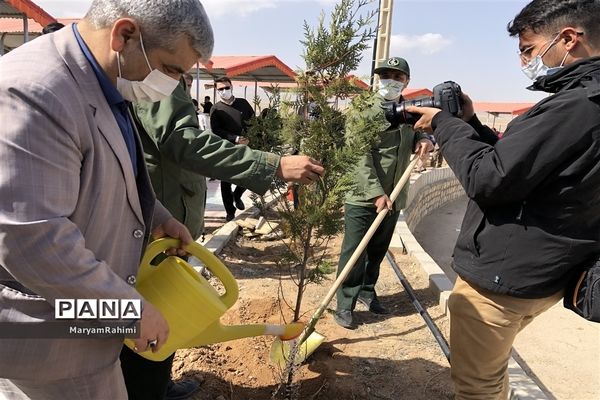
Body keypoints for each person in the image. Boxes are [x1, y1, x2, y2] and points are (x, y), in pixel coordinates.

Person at [0, 0, 214, 397]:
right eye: (170, 69)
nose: (169, 85)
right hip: (49, 342)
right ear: (125, 34)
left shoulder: (103, 84)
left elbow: (110, 171)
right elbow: (32, 240)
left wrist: (157, 217)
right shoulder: (36, 91)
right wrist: (125, 313)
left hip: (82, 328)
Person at [407, 1, 600, 398]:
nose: (525, 61)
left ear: (568, 38)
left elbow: (488, 178)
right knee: (492, 372)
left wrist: (445, 124)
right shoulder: (585, 102)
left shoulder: (575, 106)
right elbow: (525, 166)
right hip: (549, 271)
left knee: (478, 386)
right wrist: (473, 124)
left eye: (529, 50)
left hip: (502, 283)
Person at [121, 78, 325, 400]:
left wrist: (163, 217)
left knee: (164, 314)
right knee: (146, 320)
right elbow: (182, 140)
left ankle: (160, 383)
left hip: (165, 216)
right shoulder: (153, 76)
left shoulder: (162, 74)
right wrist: (272, 165)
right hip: (149, 225)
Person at [334, 57, 434, 329]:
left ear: (406, 82)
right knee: (355, 250)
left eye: (397, 77)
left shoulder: (409, 111)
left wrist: (424, 139)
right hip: (363, 195)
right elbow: (358, 155)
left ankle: (367, 291)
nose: (390, 81)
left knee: (377, 250)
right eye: (385, 75)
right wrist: (376, 193)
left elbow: (419, 135)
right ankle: (345, 302)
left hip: (395, 194)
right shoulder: (363, 110)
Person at [210, 77, 255, 221]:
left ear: (231, 87)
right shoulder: (215, 108)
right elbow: (216, 129)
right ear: (217, 91)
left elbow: (253, 121)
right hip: (227, 148)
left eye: (226, 88)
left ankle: (238, 195)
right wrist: (235, 139)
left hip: (247, 146)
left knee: (249, 175)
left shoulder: (243, 103)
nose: (224, 91)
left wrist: (251, 138)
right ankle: (230, 211)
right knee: (226, 181)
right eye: (221, 89)